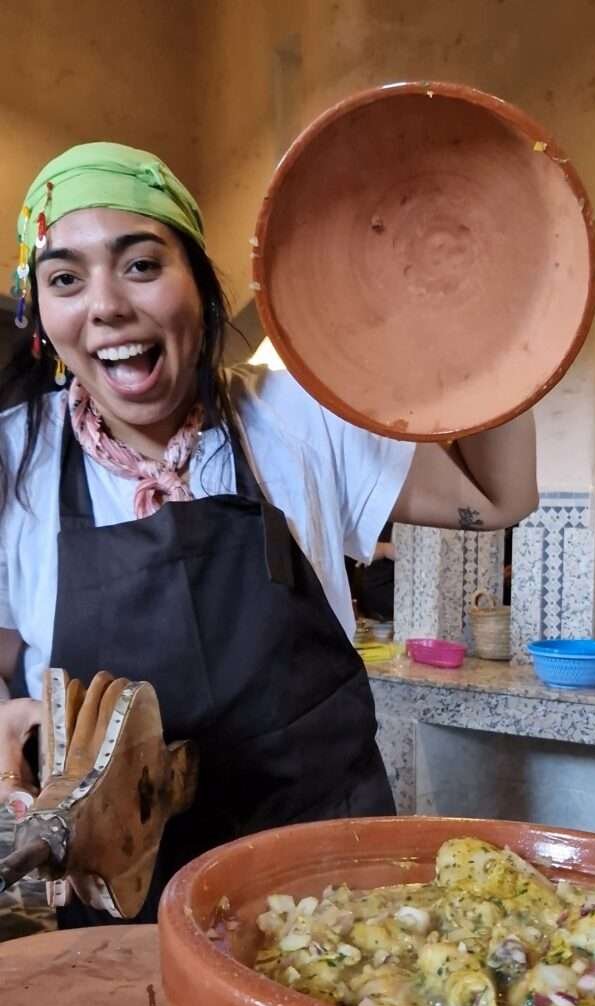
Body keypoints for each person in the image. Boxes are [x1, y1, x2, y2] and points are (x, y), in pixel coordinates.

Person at [0, 142, 538, 927]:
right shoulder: (15, 458)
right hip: (127, 899)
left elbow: (496, 498)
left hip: (331, 875)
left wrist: (497, 320)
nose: (106, 304)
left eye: (142, 264)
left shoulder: (297, 418)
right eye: (65, 279)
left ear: (201, 284)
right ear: (43, 316)